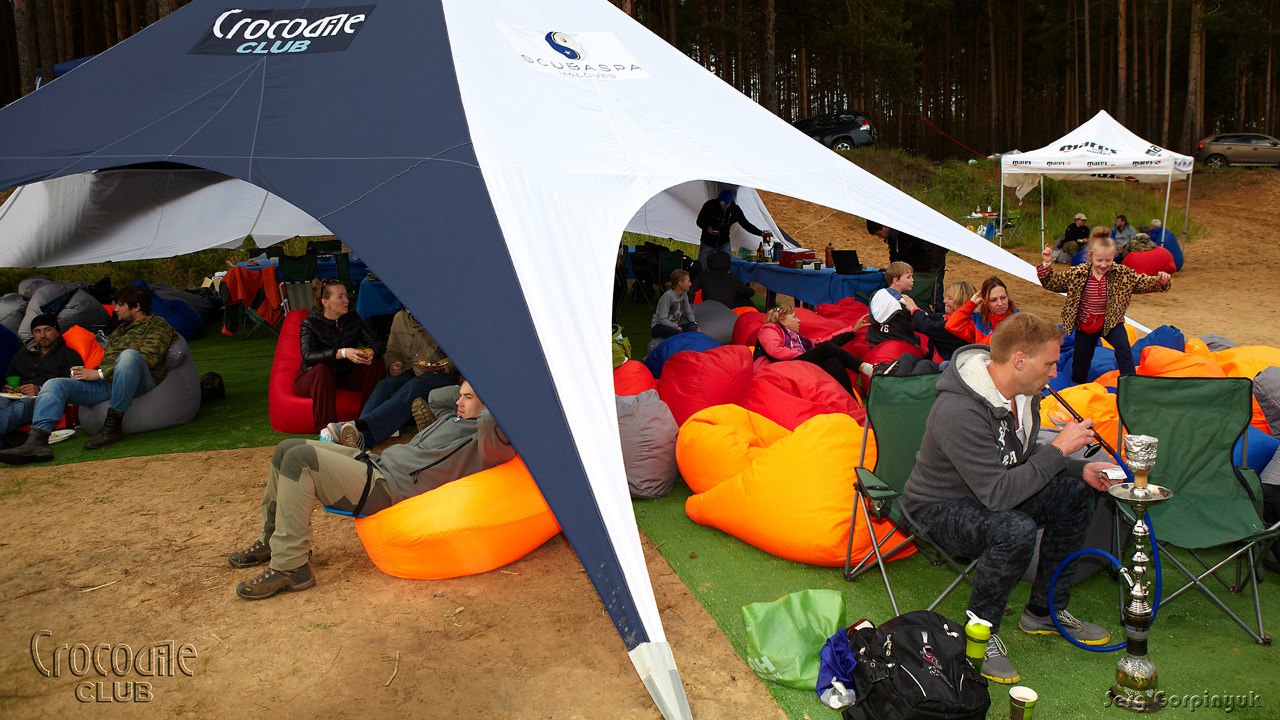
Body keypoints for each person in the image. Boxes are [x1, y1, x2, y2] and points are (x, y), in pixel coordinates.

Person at [903, 313, 1121, 684]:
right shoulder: (958, 410)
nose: (1055, 372)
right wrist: (1058, 449)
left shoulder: (1024, 395)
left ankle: (1044, 611)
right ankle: (979, 635)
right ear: (1019, 360)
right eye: (1049, 364)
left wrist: (1077, 468)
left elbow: (1018, 458)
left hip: (990, 495)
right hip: (937, 507)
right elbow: (999, 495)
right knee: (1014, 528)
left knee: (1073, 493)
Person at [227, 379, 514, 600]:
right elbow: (435, 397)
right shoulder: (453, 416)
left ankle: (291, 566)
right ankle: (271, 539)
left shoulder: (486, 442)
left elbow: (492, 427)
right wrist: (472, 385)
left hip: (388, 487)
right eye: (460, 395)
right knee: (286, 448)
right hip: (376, 462)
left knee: (300, 460)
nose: (459, 401)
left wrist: (492, 395)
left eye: (467, 397)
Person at [0, 286, 176, 464]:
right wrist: (87, 373)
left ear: (136, 307)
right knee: (54, 384)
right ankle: (37, 441)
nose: (115, 309)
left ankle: (113, 427)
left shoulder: (157, 325)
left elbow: (148, 359)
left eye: (120, 305)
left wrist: (99, 373)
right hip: (108, 383)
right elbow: (107, 360)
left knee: (129, 355)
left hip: (139, 382)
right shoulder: (121, 329)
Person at [1038, 235, 1171, 384]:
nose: (1103, 264)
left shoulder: (1122, 274)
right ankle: (1078, 386)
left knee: (1123, 348)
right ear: (1090, 257)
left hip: (1111, 321)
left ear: (1114, 257)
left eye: (1108, 260)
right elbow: (1052, 283)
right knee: (1081, 361)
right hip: (1086, 324)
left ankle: (1131, 383)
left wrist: (1160, 282)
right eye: (1099, 260)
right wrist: (1047, 263)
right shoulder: (1078, 273)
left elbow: (1142, 282)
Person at [323, 309, 459, 450]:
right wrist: (394, 363)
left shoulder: (446, 318)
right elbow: (393, 350)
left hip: (441, 375)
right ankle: (358, 436)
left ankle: (359, 429)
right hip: (409, 371)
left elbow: (461, 353)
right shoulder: (400, 318)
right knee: (384, 386)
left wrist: (442, 366)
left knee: (414, 387)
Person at [295, 278, 386, 432]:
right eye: (340, 297)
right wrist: (342, 353)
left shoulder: (353, 318)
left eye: (346, 295)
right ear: (325, 302)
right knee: (322, 370)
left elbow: (378, 344)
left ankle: (366, 421)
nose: (346, 300)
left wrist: (371, 351)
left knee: (376, 362)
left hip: (345, 374)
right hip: (315, 378)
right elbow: (308, 356)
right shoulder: (310, 323)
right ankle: (327, 430)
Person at [754, 305, 872, 397]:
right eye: (794, 317)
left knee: (834, 362)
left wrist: (853, 330)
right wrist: (805, 355)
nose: (799, 320)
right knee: (826, 348)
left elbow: (824, 341)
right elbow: (775, 351)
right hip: (775, 370)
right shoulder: (769, 329)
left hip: (793, 365)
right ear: (782, 320)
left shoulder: (798, 339)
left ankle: (851, 402)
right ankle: (866, 368)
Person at [0, 314, 83, 437]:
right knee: (1, 402)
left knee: (21, 407)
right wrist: (6, 388)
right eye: (37, 331)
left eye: (47, 330)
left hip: (44, 399)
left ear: (57, 332)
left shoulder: (69, 355)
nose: (42, 335)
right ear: (33, 334)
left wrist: (39, 388)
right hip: (16, 395)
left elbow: (72, 385)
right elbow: (10, 375)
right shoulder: (22, 355)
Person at [866, 219, 948, 310]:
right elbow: (895, 253)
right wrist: (895, 269)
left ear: (885, 226)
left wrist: (919, 269)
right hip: (918, 265)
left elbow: (930, 250)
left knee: (936, 295)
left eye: (879, 233)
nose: (880, 237)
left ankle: (939, 314)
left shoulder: (909, 230)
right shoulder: (893, 235)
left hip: (932, 264)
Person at [695, 189, 772, 270]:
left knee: (728, 267)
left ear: (731, 202)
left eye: (726, 205)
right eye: (721, 204)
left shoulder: (735, 210)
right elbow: (699, 221)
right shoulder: (709, 205)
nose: (723, 207)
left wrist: (760, 233)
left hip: (724, 244)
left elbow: (746, 224)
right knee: (702, 267)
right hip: (707, 243)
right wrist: (707, 228)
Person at [909, 280, 976, 362]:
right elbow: (924, 320)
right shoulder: (944, 316)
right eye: (946, 297)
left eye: (949, 298)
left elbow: (928, 327)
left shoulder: (960, 326)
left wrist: (914, 310)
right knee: (908, 358)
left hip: (949, 365)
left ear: (961, 301)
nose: (944, 301)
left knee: (924, 364)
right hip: (934, 361)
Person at [945, 276, 1018, 344]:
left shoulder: (1018, 320)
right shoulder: (978, 320)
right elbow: (952, 325)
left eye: (1003, 298)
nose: (1000, 303)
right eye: (993, 300)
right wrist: (971, 304)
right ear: (985, 301)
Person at [866, 261, 921, 348]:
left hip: (874, 339)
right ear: (896, 280)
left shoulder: (877, 294)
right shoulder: (903, 303)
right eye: (908, 277)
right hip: (896, 341)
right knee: (918, 340)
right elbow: (909, 326)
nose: (912, 280)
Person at [689, 251, 755, 308]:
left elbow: (691, 290)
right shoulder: (732, 279)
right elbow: (751, 292)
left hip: (707, 309)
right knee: (742, 295)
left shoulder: (703, 276)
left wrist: (690, 305)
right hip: (726, 312)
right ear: (728, 264)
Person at [651, 269, 698, 339]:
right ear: (680, 283)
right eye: (688, 281)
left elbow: (688, 311)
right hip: (660, 326)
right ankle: (683, 337)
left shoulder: (684, 294)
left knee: (693, 326)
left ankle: (683, 336)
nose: (690, 284)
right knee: (677, 333)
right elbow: (662, 319)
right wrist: (676, 327)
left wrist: (695, 323)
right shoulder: (668, 296)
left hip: (674, 326)